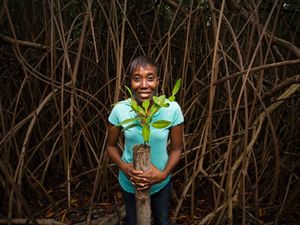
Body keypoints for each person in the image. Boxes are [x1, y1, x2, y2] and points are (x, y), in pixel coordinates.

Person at [105, 56, 184, 225]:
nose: (144, 85)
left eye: (150, 78)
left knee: (162, 221)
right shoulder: (120, 110)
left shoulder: (172, 109)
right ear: (130, 82)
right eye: (137, 78)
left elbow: (177, 149)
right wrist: (124, 167)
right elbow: (110, 146)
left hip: (161, 182)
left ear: (158, 81)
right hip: (129, 182)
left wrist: (162, 175)